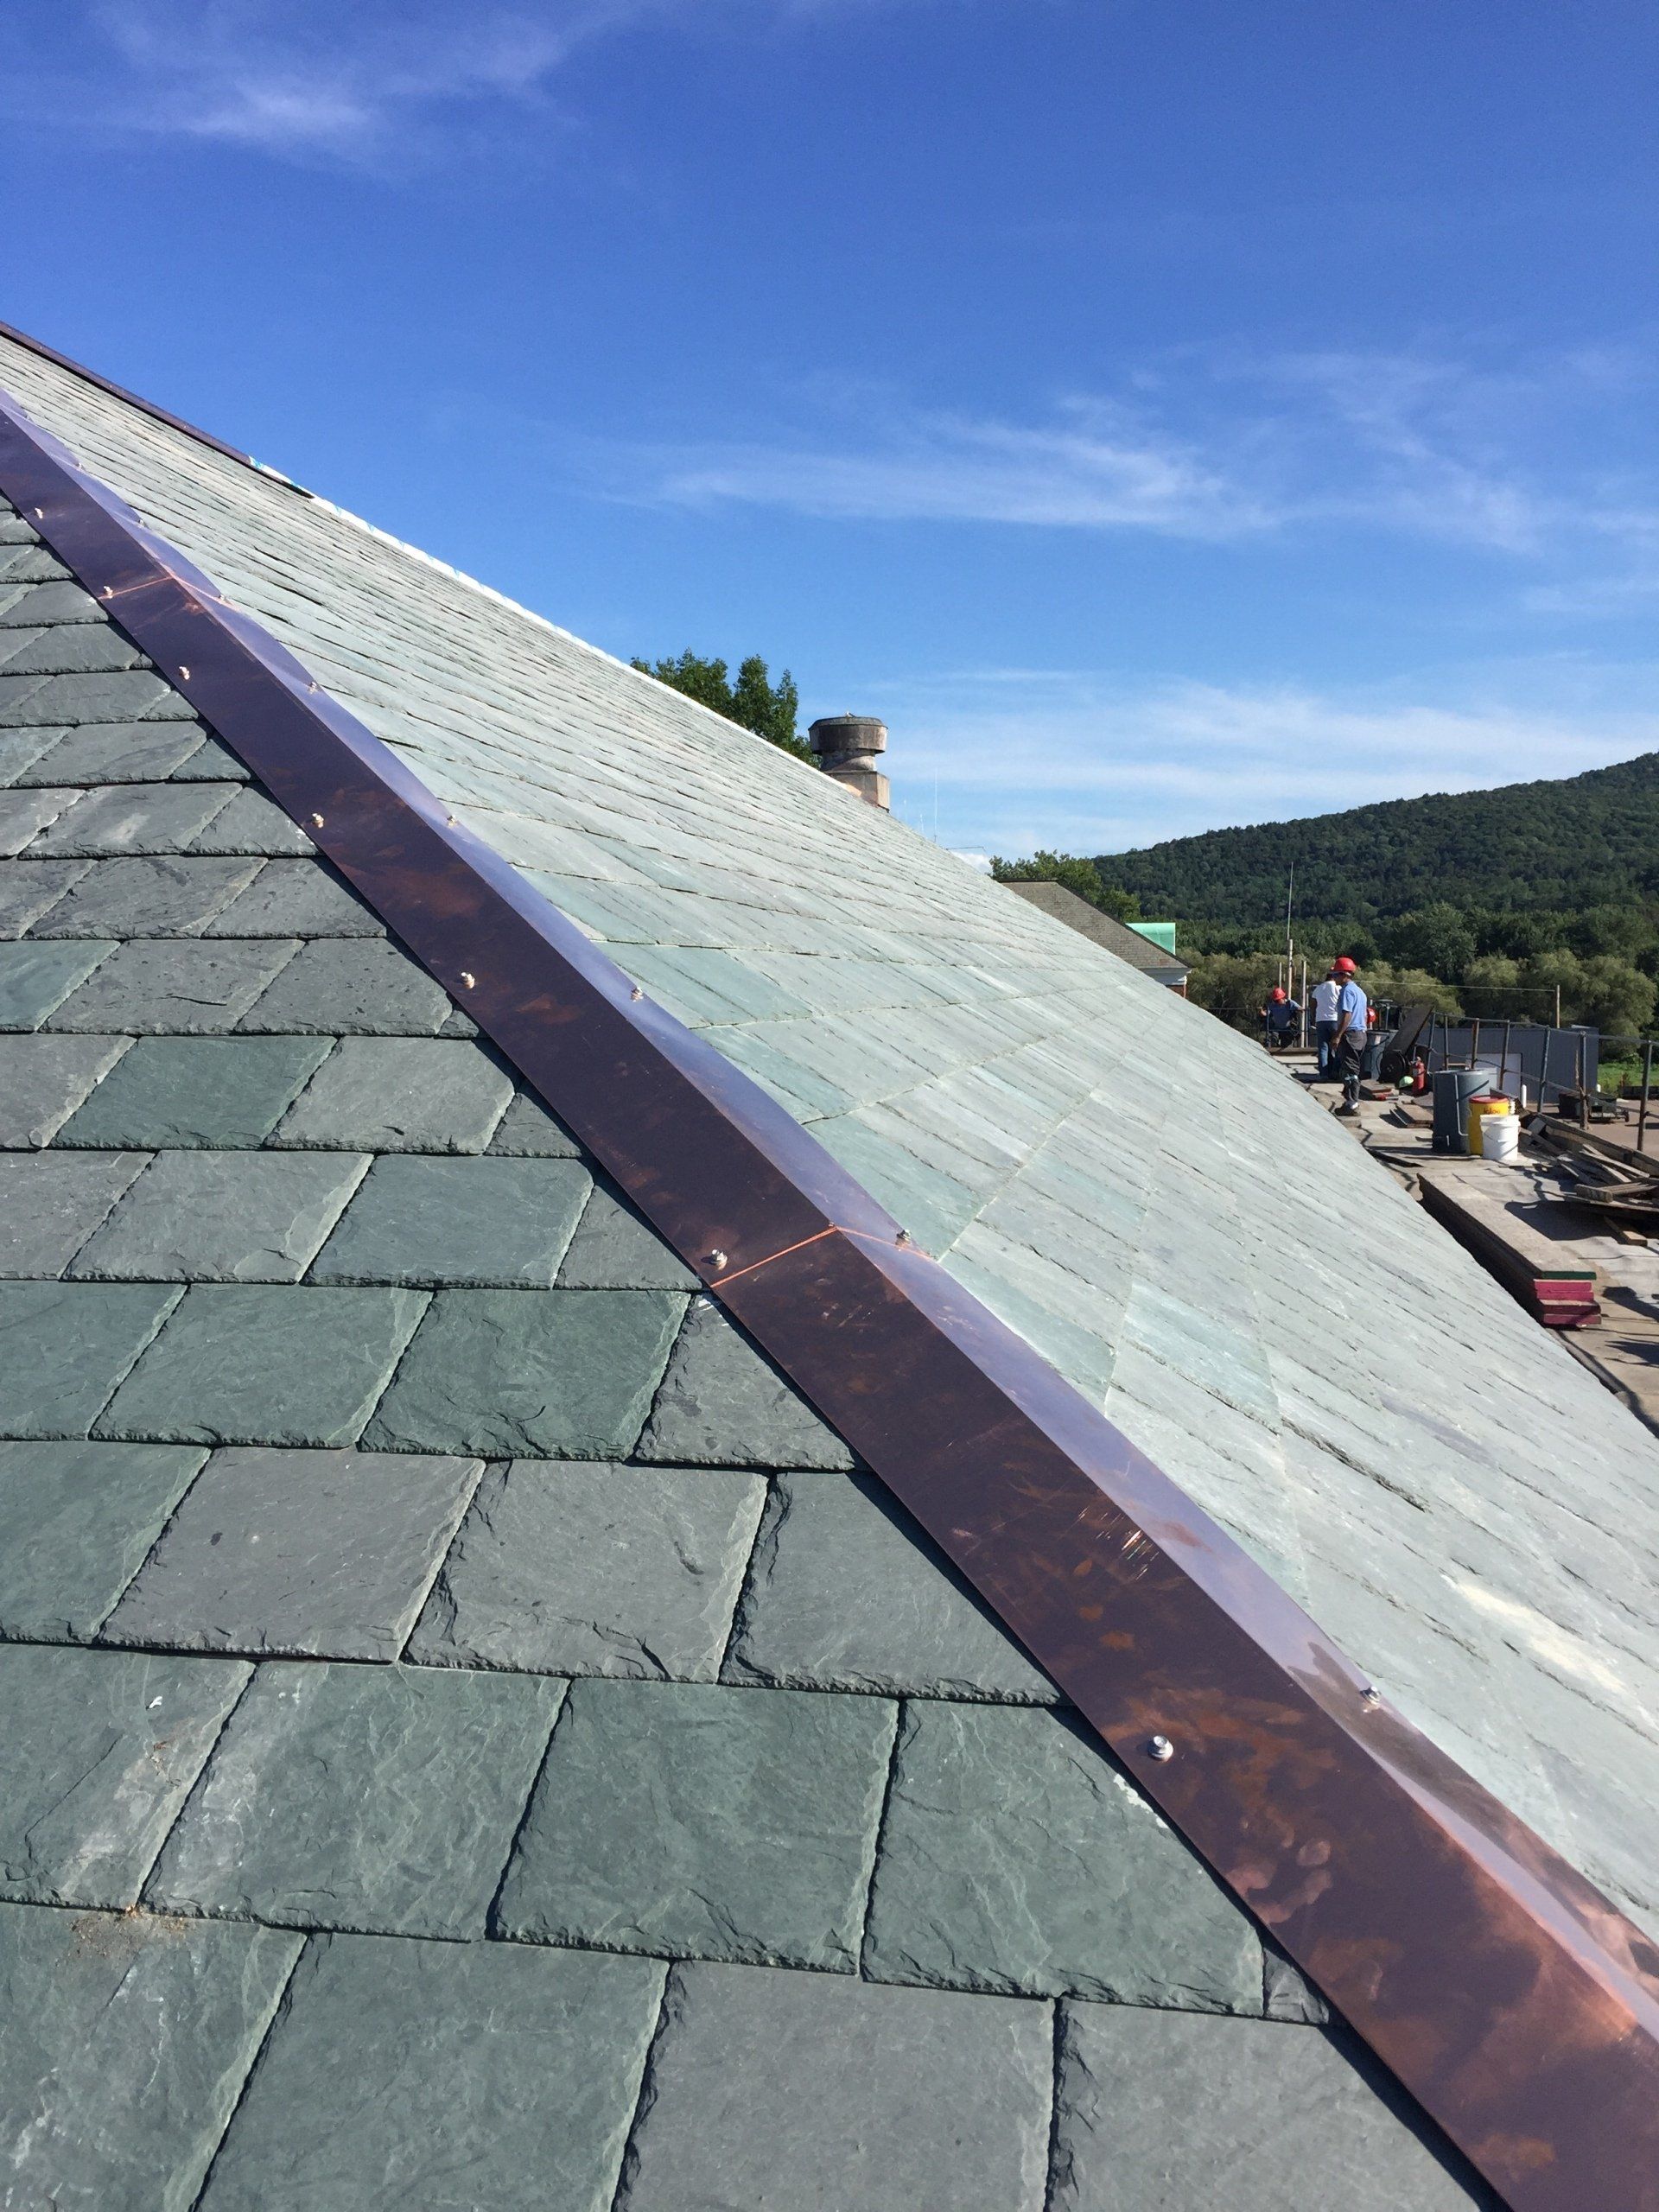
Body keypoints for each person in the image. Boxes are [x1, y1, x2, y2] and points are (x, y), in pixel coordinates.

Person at [1331, 956, 1370, 1116]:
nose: (1334, 978)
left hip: (1351, 1035)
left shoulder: (1347, 992)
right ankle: (1349, 1100)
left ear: (1344, 974)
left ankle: (1352, 1105)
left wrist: (1338, 1035)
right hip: (1360, 1034)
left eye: (1336, 975)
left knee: (1350, 1070)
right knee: (1350, 1068)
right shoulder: (1360, 992)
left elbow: (1347, 1014)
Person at [1311, 965, 1343, 1078]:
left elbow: (1313, 1005)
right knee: (1338, 1047)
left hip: (1321, 1020)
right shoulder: (1338, 988)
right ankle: (1335, 1072)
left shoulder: (1318, 988)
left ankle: (1324, 1074)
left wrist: (1314, 1018)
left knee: (1323, 1048)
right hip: (1334, 1020)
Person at [1261, 984, 1301, 1052]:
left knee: (1286, 1047)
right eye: (1275, 1001)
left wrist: (1300, 1009)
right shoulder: (1272, 1005)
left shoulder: (1290, 1004)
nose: (1276, 1002)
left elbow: (1301, 1008)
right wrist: (1261, 1011)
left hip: (1288, 1029)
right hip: (1276, 1028)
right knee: (1273, 1041)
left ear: (1282, 998)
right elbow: (1266, 1014)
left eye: (1277, 1000)